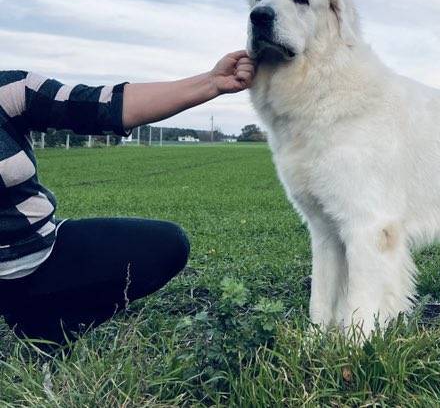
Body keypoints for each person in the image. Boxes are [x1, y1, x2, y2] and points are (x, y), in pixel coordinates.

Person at [0, 51, 255, 344]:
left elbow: (104, 105)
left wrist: (212, 82)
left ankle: (44, 321)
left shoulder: (9, 90)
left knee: (166, 244)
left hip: (39, 251)